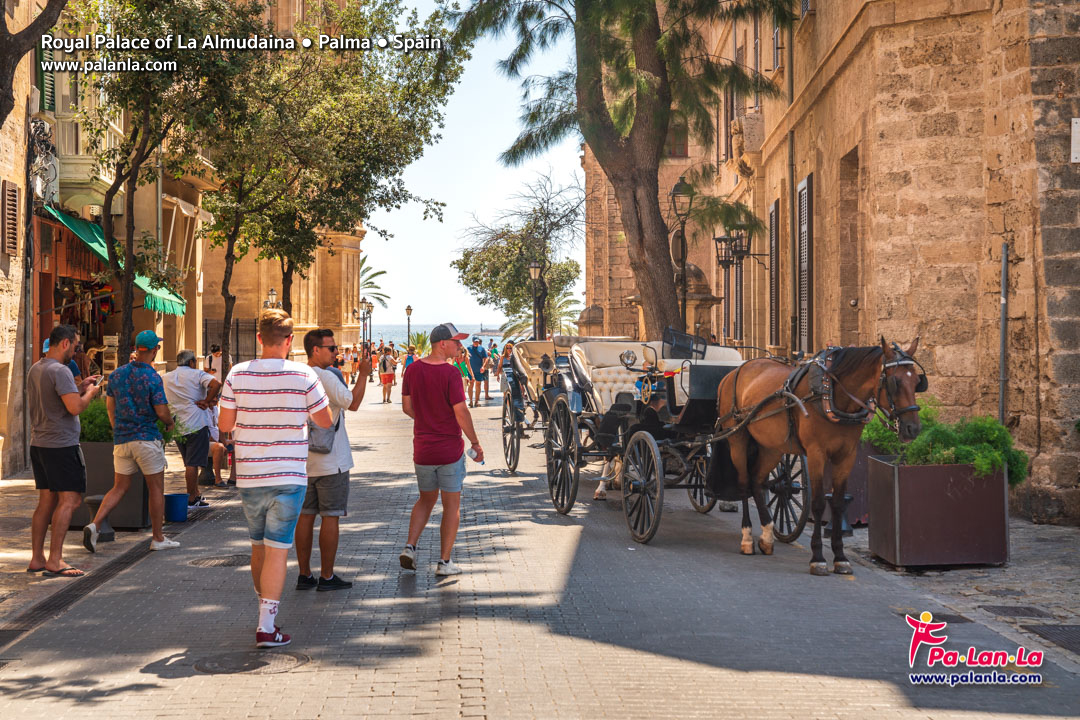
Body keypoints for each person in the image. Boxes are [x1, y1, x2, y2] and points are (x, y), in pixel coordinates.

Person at [218, 308, 332, 648]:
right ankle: (266, 628)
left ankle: (264, 613)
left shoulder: (237, 374)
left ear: (259, 339)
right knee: (278, 550)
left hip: (251, 474)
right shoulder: (303, 375)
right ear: (289, 340)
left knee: (258, 547)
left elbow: (224, 426)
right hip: (289, 474)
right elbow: (324, 420)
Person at [399, 323, 484, 577]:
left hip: (423, 449)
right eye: (456, 342)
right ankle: (444, 562)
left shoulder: (412, 370)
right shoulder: (450, 373)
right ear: (442, 344)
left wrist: (426, 421)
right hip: (448, 449)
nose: (460, 346)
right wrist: (475, 442)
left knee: (425, 499)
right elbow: (461, 411)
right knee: (451, 506)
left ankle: (410, 547)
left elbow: (406, 407)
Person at [84, 330, 177, 554]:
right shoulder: (152, 377)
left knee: (119, 487)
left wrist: (117, 428)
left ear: (137, 349)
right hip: (146, 438)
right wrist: (169, 423)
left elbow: (110, 406)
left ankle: (94, 525)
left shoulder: (117, 374)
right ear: (155, 350)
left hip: (122, 440)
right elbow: (161, 410)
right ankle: (158, 538)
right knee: (156, 488)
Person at [295, 329, 372, 592]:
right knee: (330, 517)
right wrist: (363, 373)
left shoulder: (298, 374)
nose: (336, 352)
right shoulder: (325, 377)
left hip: (302, 460)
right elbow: (353, 403)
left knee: (304, 517)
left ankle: (304, 575)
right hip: (331, 461)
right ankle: (326, 576)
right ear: (315, 350)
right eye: (331, 348)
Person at [28, 325, 102, 577]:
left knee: (46, 502)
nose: (76, 350)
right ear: (64, 343)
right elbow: (74, 408)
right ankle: (56, 560)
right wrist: (90, 393)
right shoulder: (60, 371)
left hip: (40, 443)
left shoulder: (37, 367)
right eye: (76, 345)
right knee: (70, 500)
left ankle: (37, 558)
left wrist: (80, 387)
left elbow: (57, 399)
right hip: (61, 445)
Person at [164, 349, 222, 506]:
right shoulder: (197, 374)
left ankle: (196, 494)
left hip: (177, 425)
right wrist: (207, 400)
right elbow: (216, 384)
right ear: (191, 362)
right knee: (192, 464)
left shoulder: (166, 377)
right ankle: (191, 498)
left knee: (189, 462)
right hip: (196, 423)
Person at [466, 337, 489, 407]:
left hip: (479, 370)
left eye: (477, 341)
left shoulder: (482, 349)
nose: (476, 343)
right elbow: (465, 357)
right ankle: (470, 401)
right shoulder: (468, 348)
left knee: (478, 384)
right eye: (475, 341)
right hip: (470, 370)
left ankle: (476, 401)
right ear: (472, 341)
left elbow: (486, 358)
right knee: (471, 384)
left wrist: (483, 366)